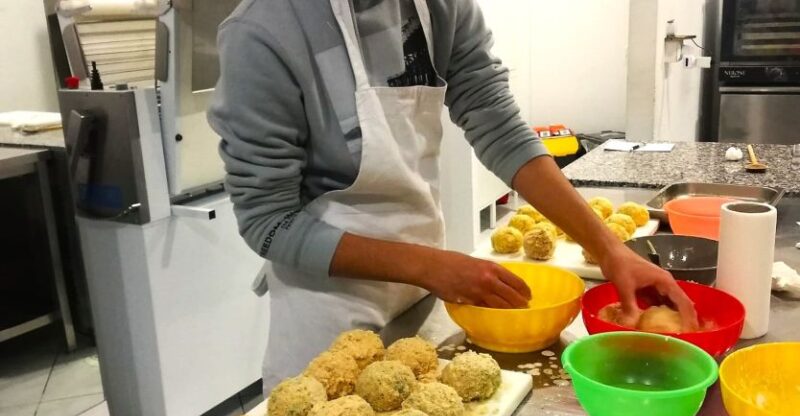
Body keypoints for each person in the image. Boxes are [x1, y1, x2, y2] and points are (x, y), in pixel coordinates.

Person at [208, 0, 696, 392]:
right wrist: (431, 266)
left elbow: (499, 127)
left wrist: (609, 249)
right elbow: (268, 223)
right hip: (328, 316)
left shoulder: (439, 7)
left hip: (420, 297)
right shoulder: (265, 32)